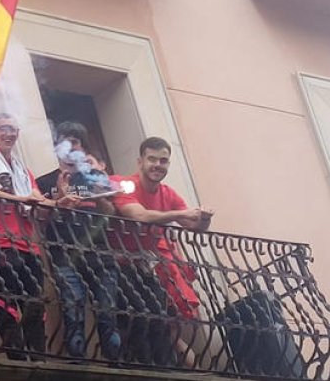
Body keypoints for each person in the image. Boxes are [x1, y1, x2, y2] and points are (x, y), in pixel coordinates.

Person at [111, 136, 213, 366]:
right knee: (135, 318)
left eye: (163, 161)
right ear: (140, 161)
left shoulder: (168, 193)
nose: (158, 165)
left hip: (143, 267)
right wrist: (179, 215)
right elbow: (139, 215)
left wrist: (204, 219)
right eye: (152, 159)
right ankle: (139, 365)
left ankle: (162, 366)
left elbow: (194, 226)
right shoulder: (122, 184)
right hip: (116, 267)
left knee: (158, 318)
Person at [0, 113, 61, 359]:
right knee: (6, 304)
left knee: (35, 304)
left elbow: (37, 201)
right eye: (3, 128)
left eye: (13, 129)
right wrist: (22, 199)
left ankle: (40, 360)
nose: (9, 134)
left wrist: (60, 202)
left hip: (28, 247)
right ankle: (17, 360)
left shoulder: (22, 170)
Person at [44, 122, 121, 361]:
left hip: (101, 254)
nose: (69, 147)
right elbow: (41, 217)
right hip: (64, 255)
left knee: (108, 312)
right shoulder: (44, 181)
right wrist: (59, 198)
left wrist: (99, 195)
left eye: (74, 142)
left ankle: (116, 366)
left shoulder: (94, 176)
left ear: (81, 147)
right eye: (64, 141)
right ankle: (78, 364)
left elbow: (110, 213)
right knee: (73, 310)